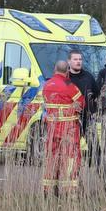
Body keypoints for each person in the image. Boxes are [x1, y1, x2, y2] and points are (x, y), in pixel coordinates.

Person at [40, 60, 84, 196]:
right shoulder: (69, 85)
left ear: (55, 69)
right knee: (70, 158)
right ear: (67, 71)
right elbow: (81, 103)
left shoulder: (47, 85)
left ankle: (48, 189)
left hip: (52, 128)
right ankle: (68, 189)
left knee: (51, 158)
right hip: (68, 129)